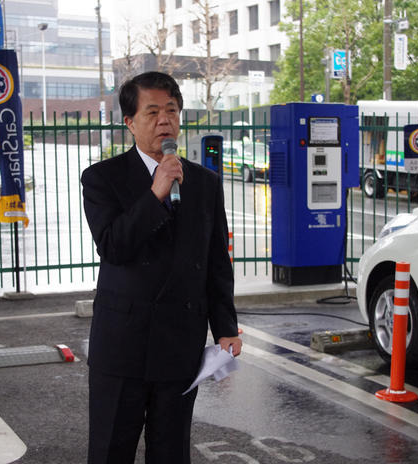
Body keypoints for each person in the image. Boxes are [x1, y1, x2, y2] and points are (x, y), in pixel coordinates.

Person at [81, 71, 242, 464]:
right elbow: (114, 245)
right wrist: (156, 191)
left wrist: (225, 328)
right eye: (151, 111)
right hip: (122, 345)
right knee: (110, 450)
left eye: (171, 110)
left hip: (179, 343)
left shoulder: (204, 182)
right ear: (130, 122)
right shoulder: (102, 178)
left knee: (171, 451)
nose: (164, 120)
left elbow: (216, 262)